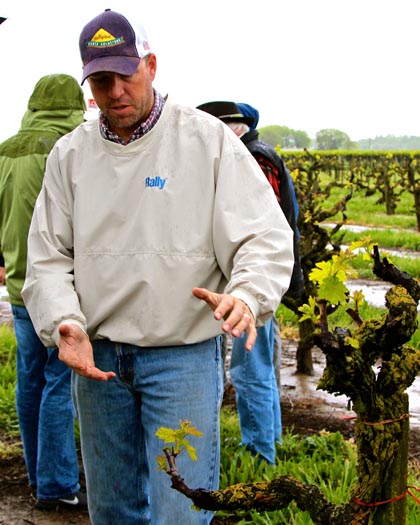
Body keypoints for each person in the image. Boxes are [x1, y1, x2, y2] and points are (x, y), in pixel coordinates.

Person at [21, 9, 295, 525]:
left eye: (126, 74)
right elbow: (47, 257)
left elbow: (264, 235)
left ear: (151, 64)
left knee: (183, 510)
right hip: (97, 359)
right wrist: (65, 324)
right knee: (113, 511)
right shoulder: (70, 156)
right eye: (102, 80)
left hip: (183, 360)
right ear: (88, 85)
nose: (116, 91)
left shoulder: (206, 141)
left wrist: (248, 294)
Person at [196, 101, 304, 464]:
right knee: (263, 362)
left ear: (236, 128)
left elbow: (259, 230)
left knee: (249, 367)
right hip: (260, 283)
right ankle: (270, 440)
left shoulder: (253, 161)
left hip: (252, 284)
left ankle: (260, 451)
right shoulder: (261, 155)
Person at [0, 74, 87, 509]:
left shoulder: (6, 150)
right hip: (59, 290)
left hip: (18, 287)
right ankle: (57, 486)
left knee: (30, 381)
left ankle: (39, 478)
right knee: (59, 383)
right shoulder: (68, 148)